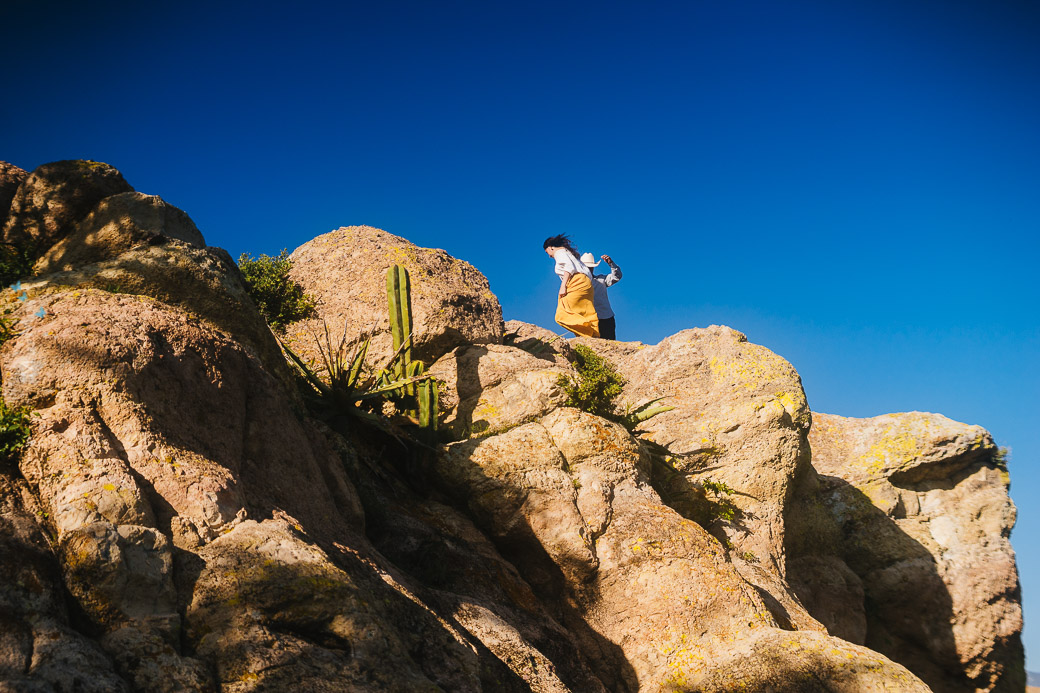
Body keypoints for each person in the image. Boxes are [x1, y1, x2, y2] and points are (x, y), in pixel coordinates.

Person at [543, 234, 599, 338]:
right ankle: (591, 337)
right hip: (586, 284)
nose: (549, 255)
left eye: (547, 252)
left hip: (576, 281)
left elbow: (569, 267)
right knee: (586, 311)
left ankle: (588, 331)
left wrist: (563, 286)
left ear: (551, 247)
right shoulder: (569, 254)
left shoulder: (559, 252)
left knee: (563, 313)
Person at [580, 252, 622, 340]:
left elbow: (617, 276)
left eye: (590, 267)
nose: (589, 269)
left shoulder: (601, 279)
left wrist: (611, 264)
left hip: (606, 318)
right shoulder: (578, 283)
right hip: (588, 319)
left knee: (610, 345)